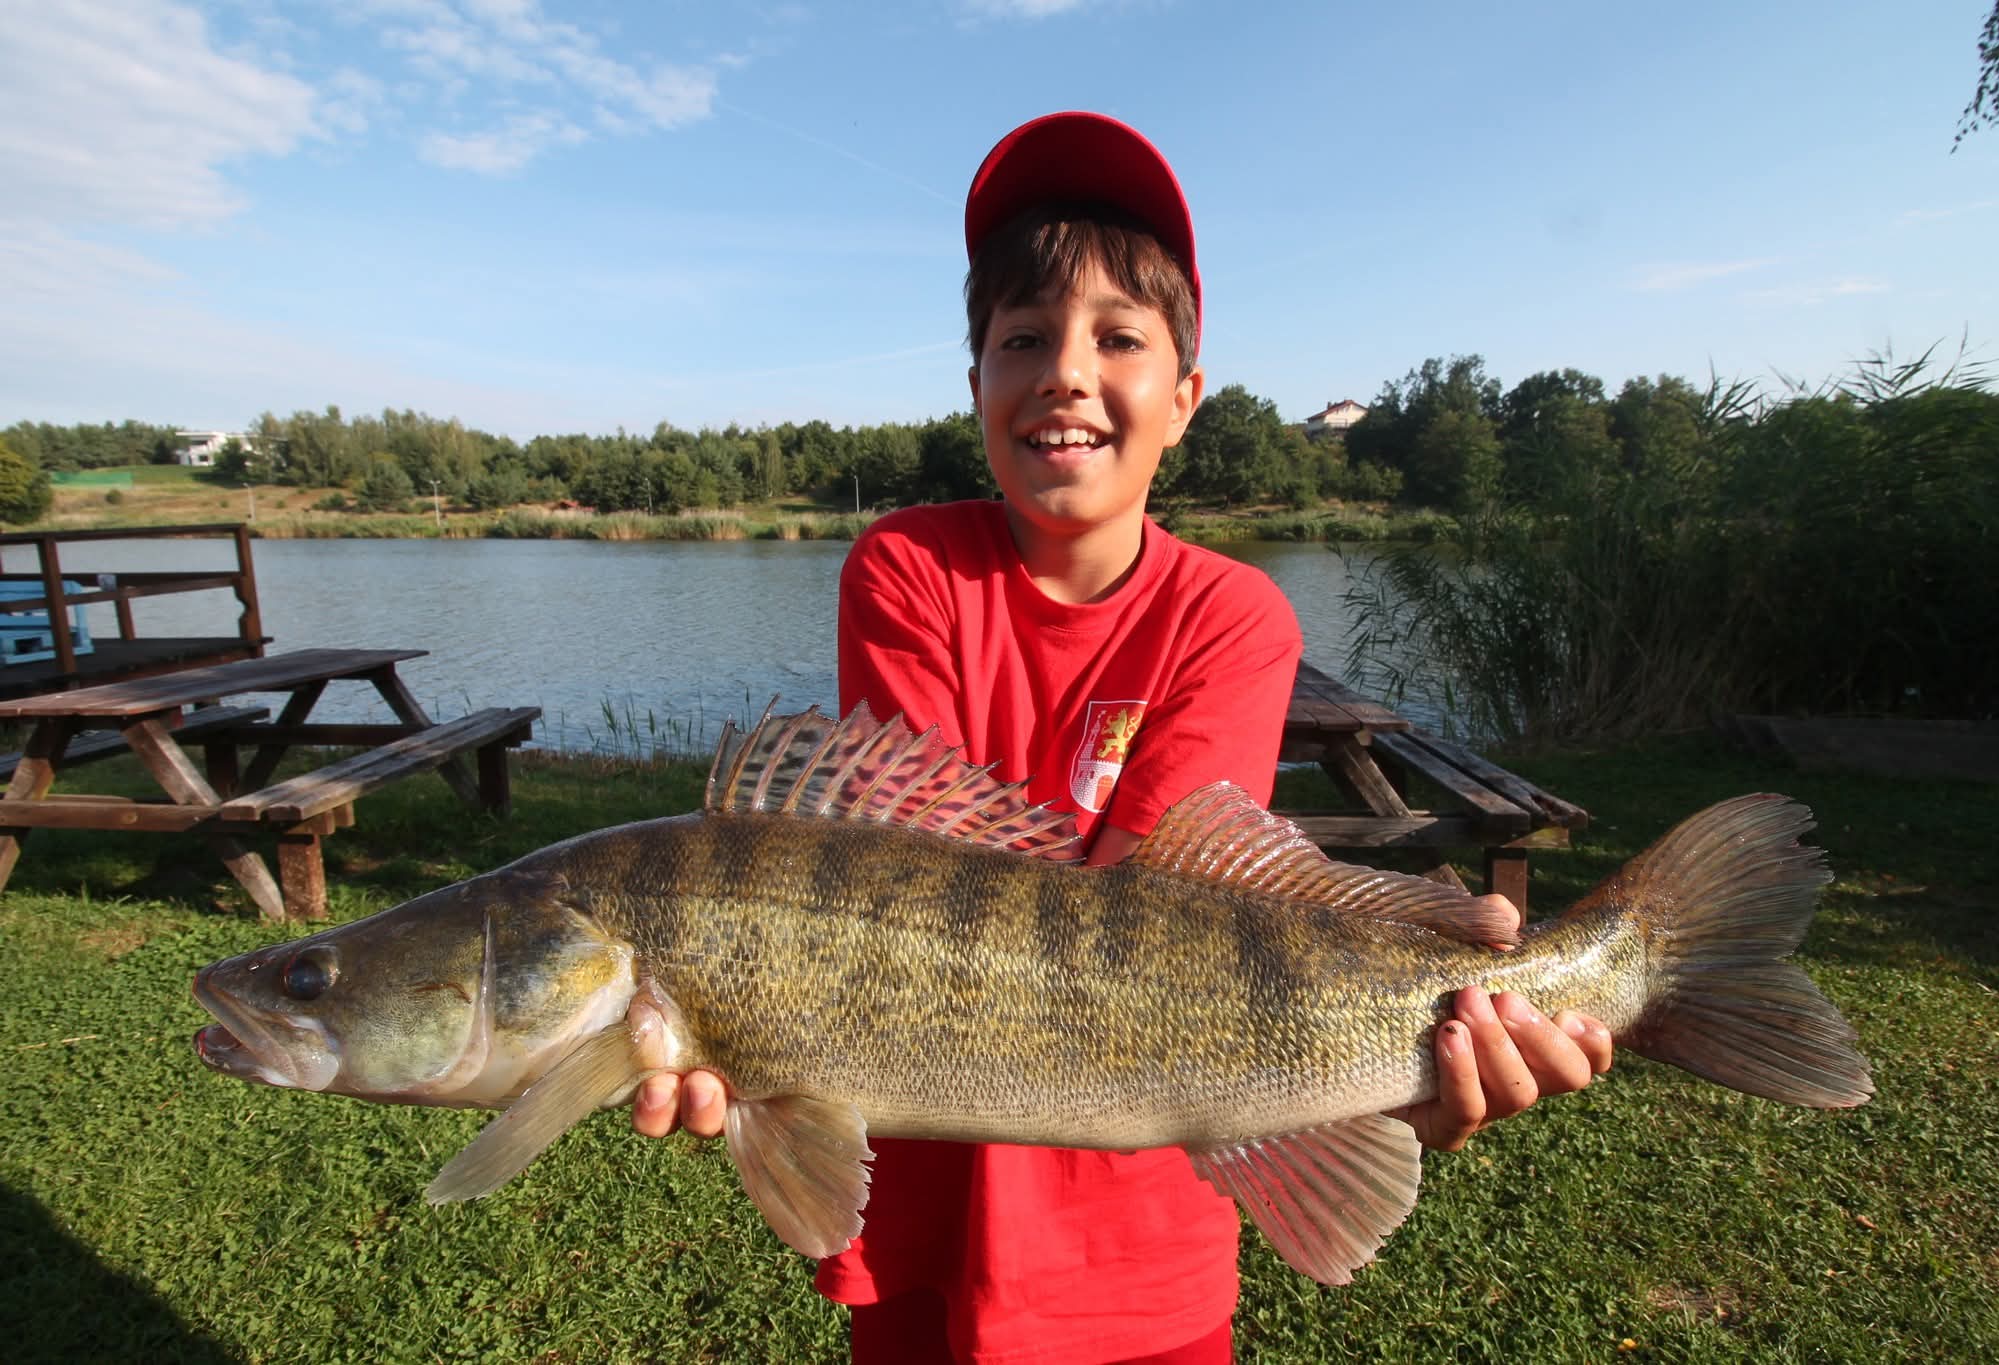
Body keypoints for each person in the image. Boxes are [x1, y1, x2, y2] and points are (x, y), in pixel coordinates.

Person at [632, 110, 1613, 1364]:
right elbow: (903, 869)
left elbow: (1180, 879)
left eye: (1118, 338)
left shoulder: (1231, 612)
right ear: (976, 382)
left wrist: (1406, 996)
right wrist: (732, 1013)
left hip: (1141, 1262)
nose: (1063, 372)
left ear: (1184, 396)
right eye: (1021, 339)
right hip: (922, 1236)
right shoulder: (906, 567)